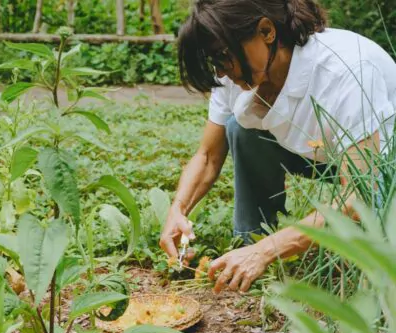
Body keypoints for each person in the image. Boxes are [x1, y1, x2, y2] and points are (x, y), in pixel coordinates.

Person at [159, 0, 396, 294]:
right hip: (319, 152)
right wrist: (178, 209)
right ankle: (250, 238)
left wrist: (268, 251)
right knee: (239, 126)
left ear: (267, 31)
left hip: (380, 166)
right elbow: (207, 156)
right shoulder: (236, 73)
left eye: (223, 56)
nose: (221, 72)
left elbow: (358, 194)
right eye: (214, 61)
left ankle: (258, 251)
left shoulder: (346, 71)